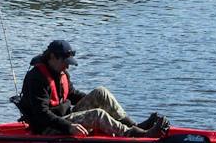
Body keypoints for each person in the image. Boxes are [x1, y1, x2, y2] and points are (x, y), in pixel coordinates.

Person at [15, 39, 167, 137]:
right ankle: (133, 134)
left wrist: (97, 101)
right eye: (65, 62)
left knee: (101, 92)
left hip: (64, 117)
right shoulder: (36, 78)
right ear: (52, 57)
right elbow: (41, 114)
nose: (67, 66)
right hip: (47, 127)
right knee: (97, 114)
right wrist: (69, 127)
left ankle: (134, 126)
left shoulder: (61, 73)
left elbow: (72, 94)